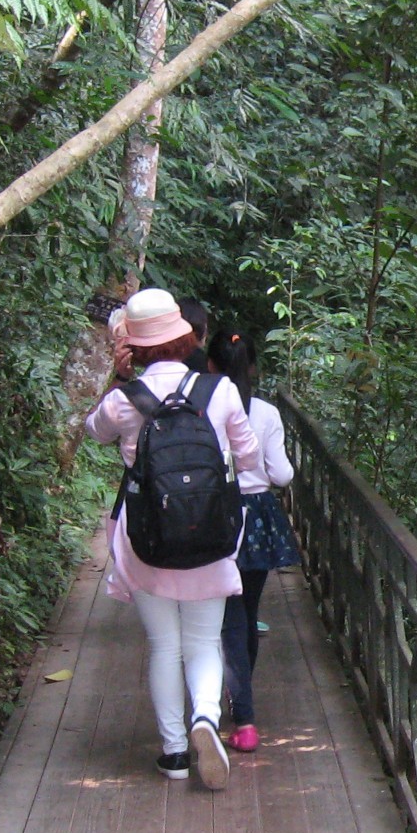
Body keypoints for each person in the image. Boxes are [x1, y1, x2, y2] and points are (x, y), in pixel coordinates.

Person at [85, 289, 259, 789]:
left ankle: (175, 752)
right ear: (184, 336)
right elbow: (247, 460)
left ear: (132, 346)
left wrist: (120, 377)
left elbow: (94, 432)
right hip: (211, 535)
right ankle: (206, 715)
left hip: (148, 538)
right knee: (204, 641)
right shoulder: (219, 390)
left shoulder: (125, 399)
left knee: (164, 646)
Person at [206, 329, 299, 753]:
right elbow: (281, 475)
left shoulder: (201, 405)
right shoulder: (265, 413)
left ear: (210, 366)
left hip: (216, 514)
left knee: (230, 617)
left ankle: (242, 715)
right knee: (246, 610)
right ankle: (241, 709)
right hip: (258, 516)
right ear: (254, 367)